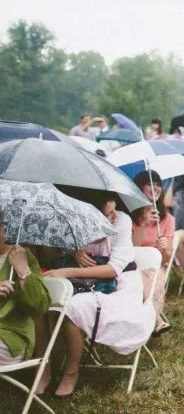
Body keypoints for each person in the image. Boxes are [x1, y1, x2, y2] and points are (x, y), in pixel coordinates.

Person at [38, 193, 154, 397]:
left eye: (113, 211)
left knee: (73, 307)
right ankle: (44, 367)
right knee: (43, 299)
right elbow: (53, 252)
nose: (113, 217)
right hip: (86, 283)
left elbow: (113, 270)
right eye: (107, 214)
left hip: (120, 288)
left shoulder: (121, 221)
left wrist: (68, 271)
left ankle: (70, 373)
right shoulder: (75, 220)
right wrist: (74, 252)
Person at [0, 213, 51, 368]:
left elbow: (40, 306)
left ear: (2, 229)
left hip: (10, 334)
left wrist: (23, 271)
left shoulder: (21, 256)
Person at [131, 170, 174, 335]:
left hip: (155, 268)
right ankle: (154, 321)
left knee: (151, 281)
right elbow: (129, 251)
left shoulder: (167, 219)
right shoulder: (129, 217)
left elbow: (167, 258)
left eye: (158, 185)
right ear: (140, 188)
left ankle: (151, 323)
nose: (156, 188)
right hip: (131, 266)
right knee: (135, 279)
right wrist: (143, 224)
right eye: (150, 184)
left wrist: (163, 249)